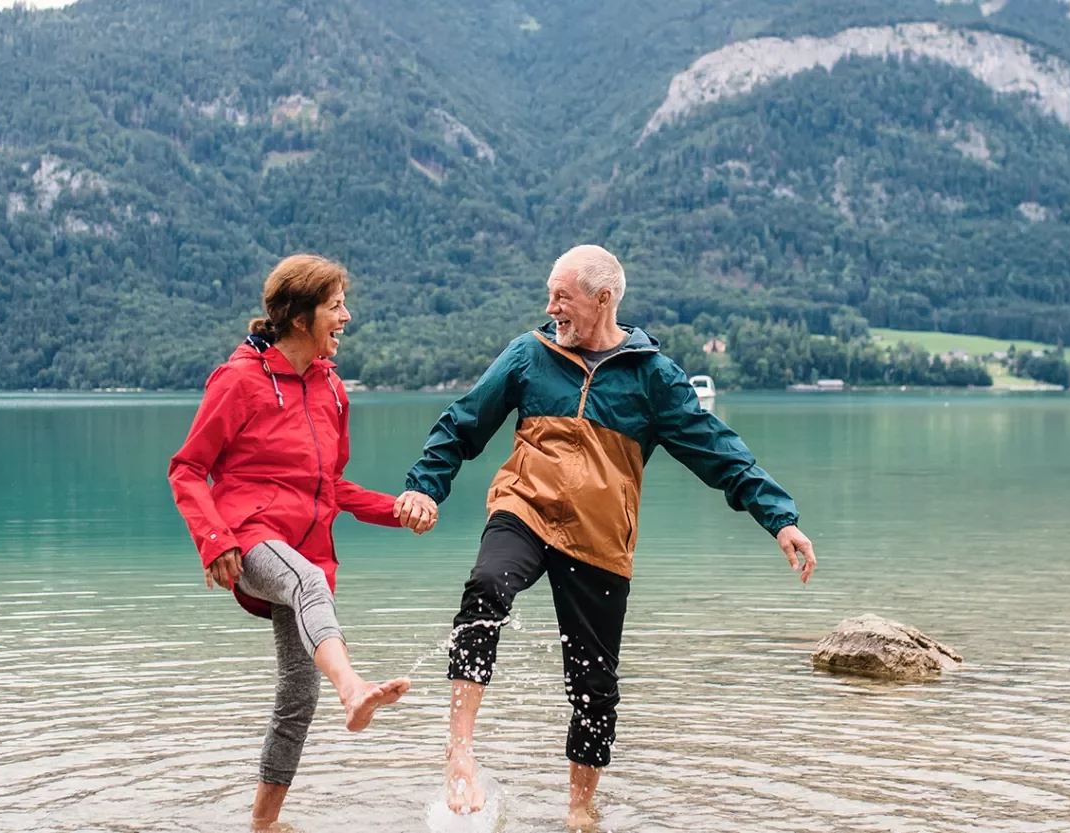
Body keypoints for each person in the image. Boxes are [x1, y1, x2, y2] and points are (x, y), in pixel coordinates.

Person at [394, 244, 817, 829]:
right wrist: (424, 486)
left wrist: (780, 517)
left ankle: (580, 807)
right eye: (550, 295)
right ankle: (459, 752)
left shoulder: (652, 378)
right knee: (487, 586)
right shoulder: (529, 355)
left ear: (603, 299)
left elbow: (717, 448)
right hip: (524, 509)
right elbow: (462, 422)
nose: (551, 308)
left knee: (594, 683)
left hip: (600, 540)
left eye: (562, 297)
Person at [169, 254, 414, 831]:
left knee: (297, 699)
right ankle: (353, 688)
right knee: (304, 580)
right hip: (249, 541)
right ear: (301, 318)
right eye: (335, 306)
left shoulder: (331, 389)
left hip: (307, 556)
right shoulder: (239, 381)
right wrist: (213, 539)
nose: (346, 317)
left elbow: (331, 486)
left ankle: (261, 825)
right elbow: (187, 469)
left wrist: (396, 511)